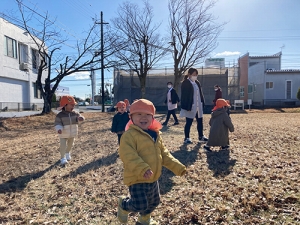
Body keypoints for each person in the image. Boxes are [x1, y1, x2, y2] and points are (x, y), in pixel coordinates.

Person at [117, 99, 186, 225]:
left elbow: (164, 154)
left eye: (148, 114)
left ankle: (144, 220)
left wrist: (177, 167)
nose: (144, 117)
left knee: (154, 201)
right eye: (139, 114)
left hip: (153, 177)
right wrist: (142, 168)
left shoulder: (155, 134)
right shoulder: (129, 135)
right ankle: (124, 204)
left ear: (153, 117)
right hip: (137, 177)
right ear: (131, 117)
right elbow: (128, 155)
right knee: (140, 204)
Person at [180, 67, 208, 144]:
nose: (195, 76)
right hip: (190, 106)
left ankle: (201, 136)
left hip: (198, 105)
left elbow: (200, 94)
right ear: (189, 74)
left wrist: (203, 102)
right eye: (194, 74)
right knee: (189, 122)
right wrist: (186, 107)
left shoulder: (197, 82)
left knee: (200, 121)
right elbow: (184, 96)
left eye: (196, 75)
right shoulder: (186, 83)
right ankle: (187, 137)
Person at [55, 95, 85, 165]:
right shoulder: (60, 115)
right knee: (63, 145)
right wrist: (59, 129)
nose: (73, 107)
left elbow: (81, 116)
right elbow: (57, 123)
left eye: (74, 105)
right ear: (65, 105)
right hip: (63, 134)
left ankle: (67, 152)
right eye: (71, 105)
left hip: (72, 133)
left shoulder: (75, 113)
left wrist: (81, 118)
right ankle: (62, 158)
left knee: (70, 145)